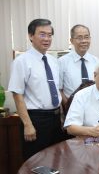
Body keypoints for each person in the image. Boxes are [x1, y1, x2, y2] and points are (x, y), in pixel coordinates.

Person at [8, 19, 63, 160]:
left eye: (50, 35)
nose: (47, 39)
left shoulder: (53, 61)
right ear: (31, 36)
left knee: (56, 160)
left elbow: (56, 91)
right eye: (42, 34)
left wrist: (61, 117)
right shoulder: (22, 61)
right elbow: (17, 95)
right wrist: (28, 125)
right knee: (36, 162)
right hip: (37, 120)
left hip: (56, 118)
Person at [59, 24, 99, 109]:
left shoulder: (97, 62)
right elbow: (59, 89)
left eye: (86, 37)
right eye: (79, 38)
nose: (84, 41)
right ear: (72, 40)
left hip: (94, 108)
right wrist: (68, 105)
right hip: (71, 107)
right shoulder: (62, 62)